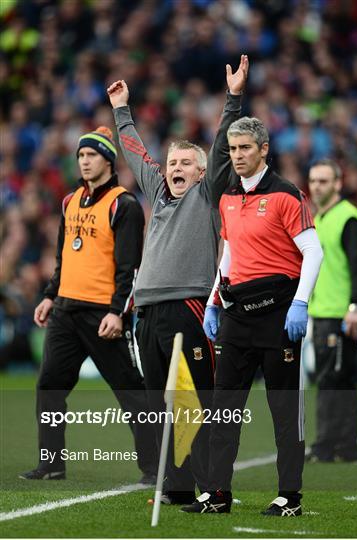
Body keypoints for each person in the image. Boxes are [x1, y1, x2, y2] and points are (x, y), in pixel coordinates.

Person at [107, 55, 249, 504]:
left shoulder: (208, 194)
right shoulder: (158, 192)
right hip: (146, 310)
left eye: (186, 163)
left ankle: (212, 486)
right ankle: (178, 487)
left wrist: (233, 98)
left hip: (188, 306)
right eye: (173, 163)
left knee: (199, 403)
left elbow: (224, 147)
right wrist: (121, 111)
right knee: (160, 406)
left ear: (202, 172)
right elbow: (135, 152)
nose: (176, 168)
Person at [182, 116, 323, 516]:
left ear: (264, 150)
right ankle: (217, 493)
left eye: (245, 147)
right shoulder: (227, 196)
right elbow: (228, 255)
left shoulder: (286, 194)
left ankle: (289, 497)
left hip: (279, 315)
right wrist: (212, 302)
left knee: (284, 413)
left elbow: (313, 252)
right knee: (223, 408)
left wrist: (301, 303)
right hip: (236, 316)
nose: (237, 155)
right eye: (232, 148)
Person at [19, 126, 158, 483]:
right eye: (81, 155)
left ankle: (156, 467)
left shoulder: (123, 205)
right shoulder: (69, 202)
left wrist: (117, 312)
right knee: (49, 386)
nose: (84, 161)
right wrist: (50, 295)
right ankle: (51, 464)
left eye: (91, 155)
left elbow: (131, 267)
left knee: (131, 392)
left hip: (103, 316)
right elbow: (63, 257)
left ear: (108, 160)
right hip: (66, 311)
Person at [306, 158, 357, 463]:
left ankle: (325, 446)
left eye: (323, 181)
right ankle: (346, 448)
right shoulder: (321, 219)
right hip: (325, 312)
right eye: (313, 180)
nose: (316, 186)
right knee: (340, 379)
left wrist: (356, 306)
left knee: (331, 380)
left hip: (340, 314)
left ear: (338, 184)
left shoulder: (348, 219)